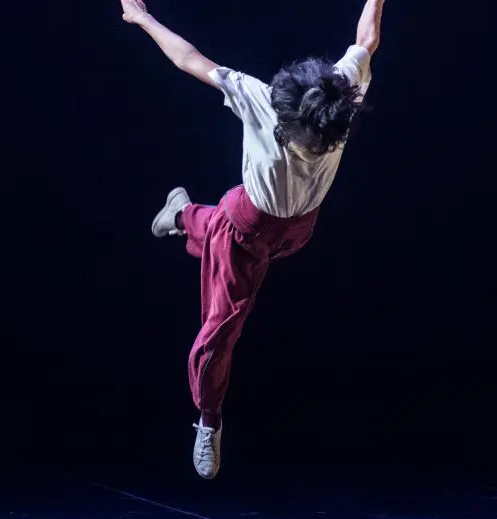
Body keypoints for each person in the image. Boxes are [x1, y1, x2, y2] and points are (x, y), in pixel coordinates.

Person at [120, 0, 384, 479]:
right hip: (247, 227)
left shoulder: (337, 99)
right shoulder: (260, 99)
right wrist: (143, 19)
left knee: (218, 230)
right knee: (219, 333)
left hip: (295, 230)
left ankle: (181, 213)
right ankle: (209, 421)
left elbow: (366, 41)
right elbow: (190, 60)